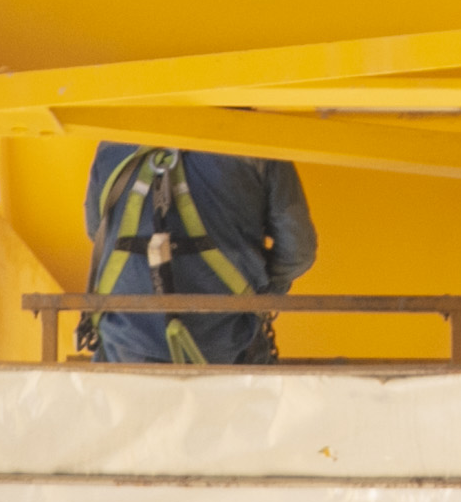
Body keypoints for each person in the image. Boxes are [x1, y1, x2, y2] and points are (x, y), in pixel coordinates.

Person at [85, 141, 317, 364]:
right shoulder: (258, 145)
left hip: (124, 342)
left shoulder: (112, 143)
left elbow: (98, 231)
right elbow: (298, 252)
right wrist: (259, 294)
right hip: (226, 344)